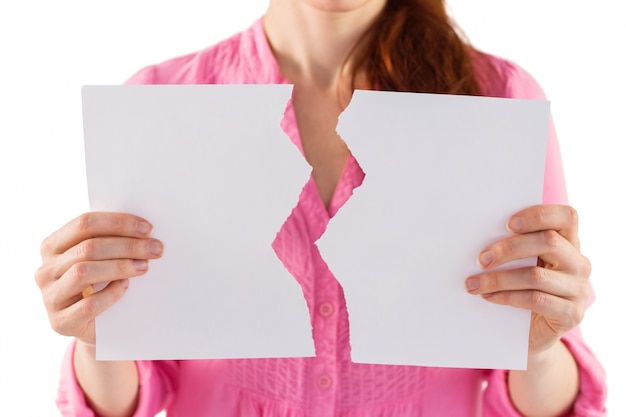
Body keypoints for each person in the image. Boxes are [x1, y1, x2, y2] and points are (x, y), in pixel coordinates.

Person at [37, 0, 607, 416]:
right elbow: (135, 391)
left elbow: (545, 403)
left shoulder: (497, 97)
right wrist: (97, 335)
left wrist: (540, 345)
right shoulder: (159, 103)